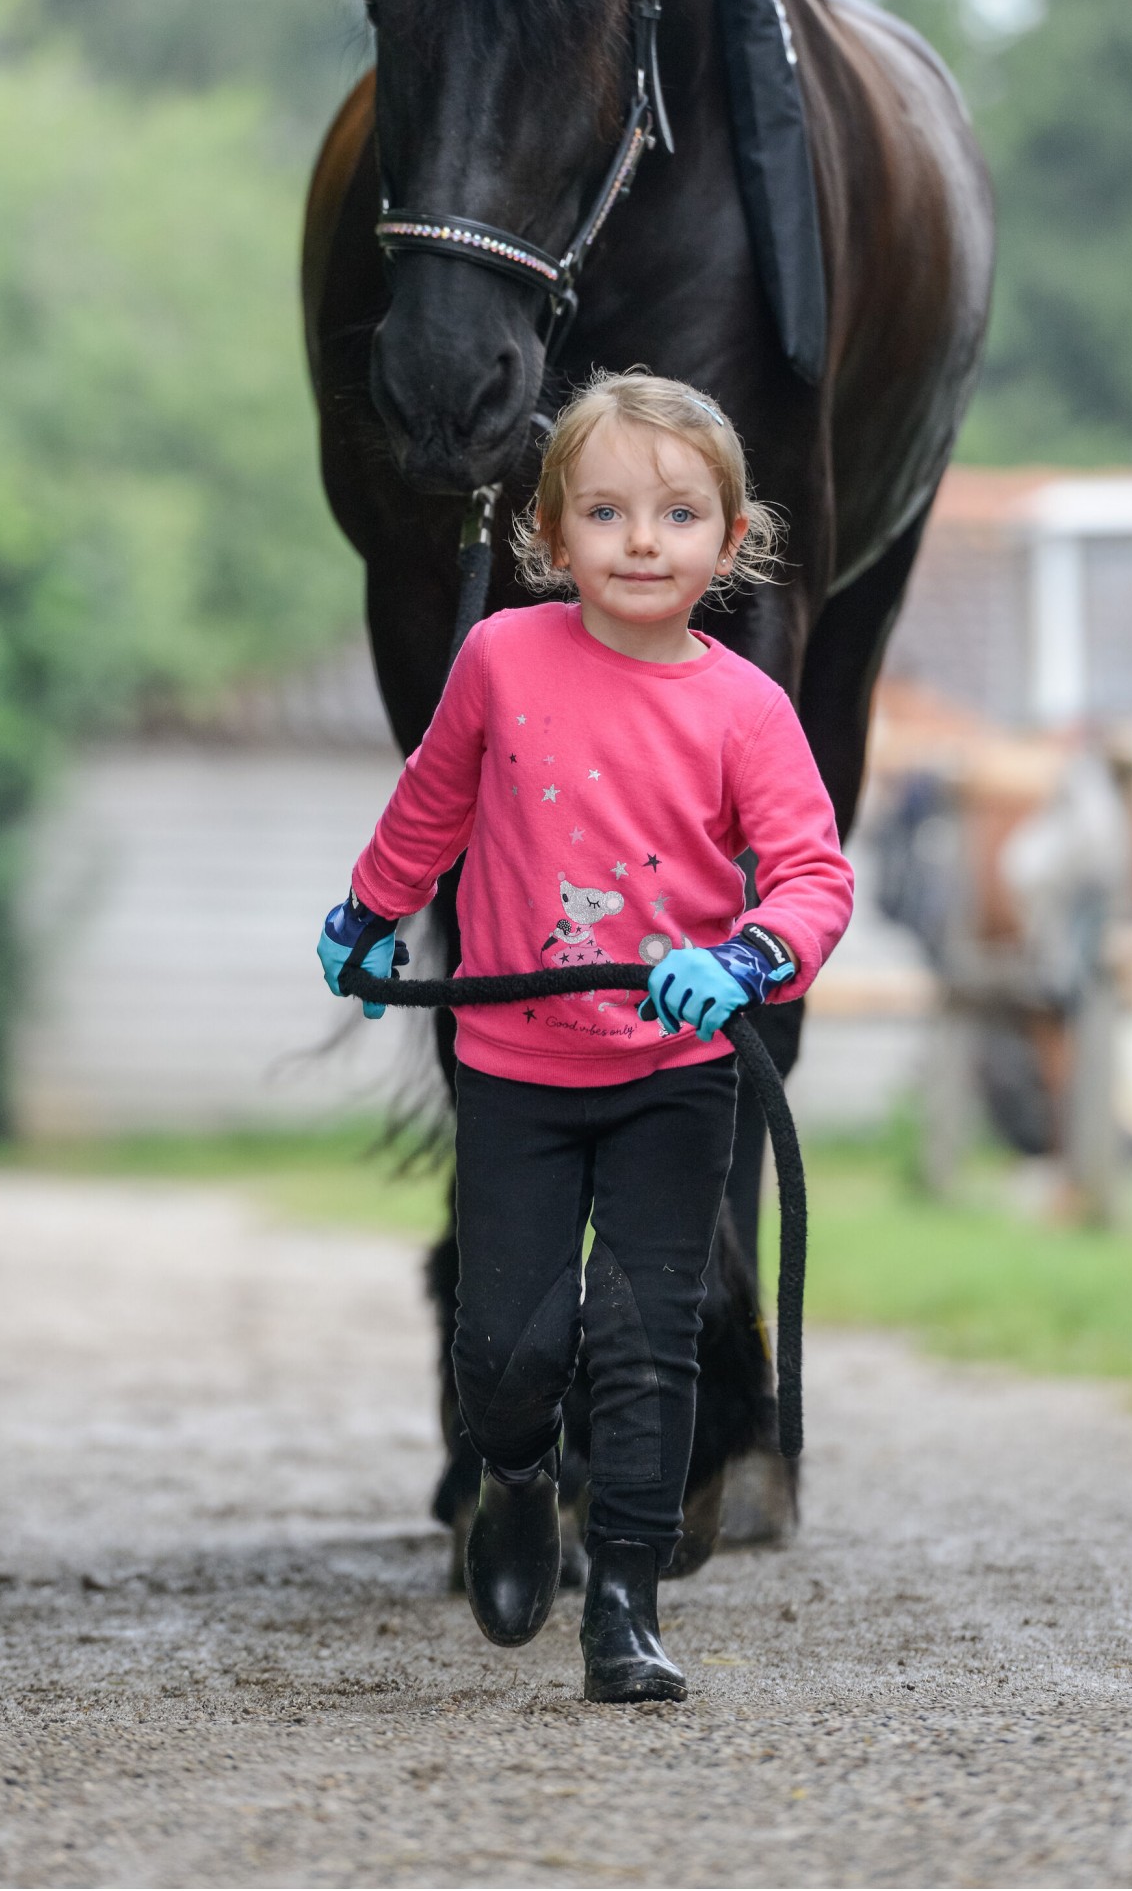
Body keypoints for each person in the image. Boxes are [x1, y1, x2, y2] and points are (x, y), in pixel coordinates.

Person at [317, 370, 853, 1703]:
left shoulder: (750, 711)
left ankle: (622, 1599)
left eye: (677, 514)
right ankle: (509, 1476)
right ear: (550, 539)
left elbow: (811, 879)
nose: (640, 540)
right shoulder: (502, 660)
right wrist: (370, 915)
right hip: (517, 1073)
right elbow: (431, 807)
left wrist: (745, 959)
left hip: (673, 1079)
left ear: (731, 547)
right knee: (510, 1349)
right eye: (605, 511)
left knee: (645, 1332)